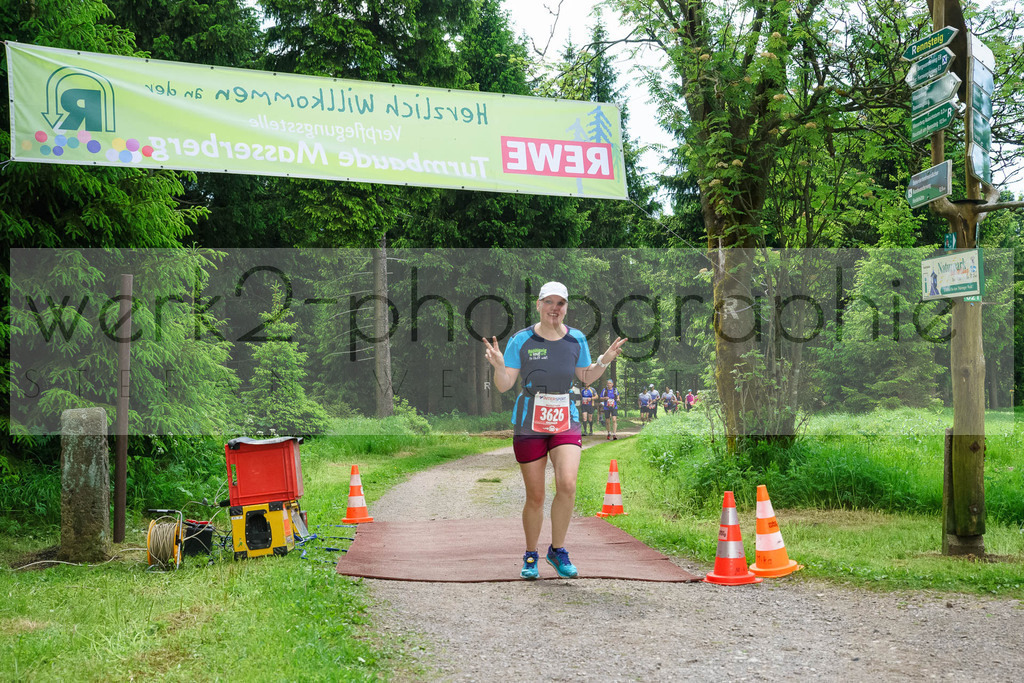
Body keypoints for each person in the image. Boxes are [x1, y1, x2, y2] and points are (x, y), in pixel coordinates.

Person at [483, 281, 626, 581]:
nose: (554, 308)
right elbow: (505, 384)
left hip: (565, 418)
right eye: (549, 302)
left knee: (568, 484)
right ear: (538, 305)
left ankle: (557, 550)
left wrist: (605, 361)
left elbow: (586, 376)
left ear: (566, 307)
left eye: (560, 303)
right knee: (535, 496)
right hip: (530, 421)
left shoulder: (576, 339)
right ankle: (531, 554)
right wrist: (498, 366)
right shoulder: (521, 340)